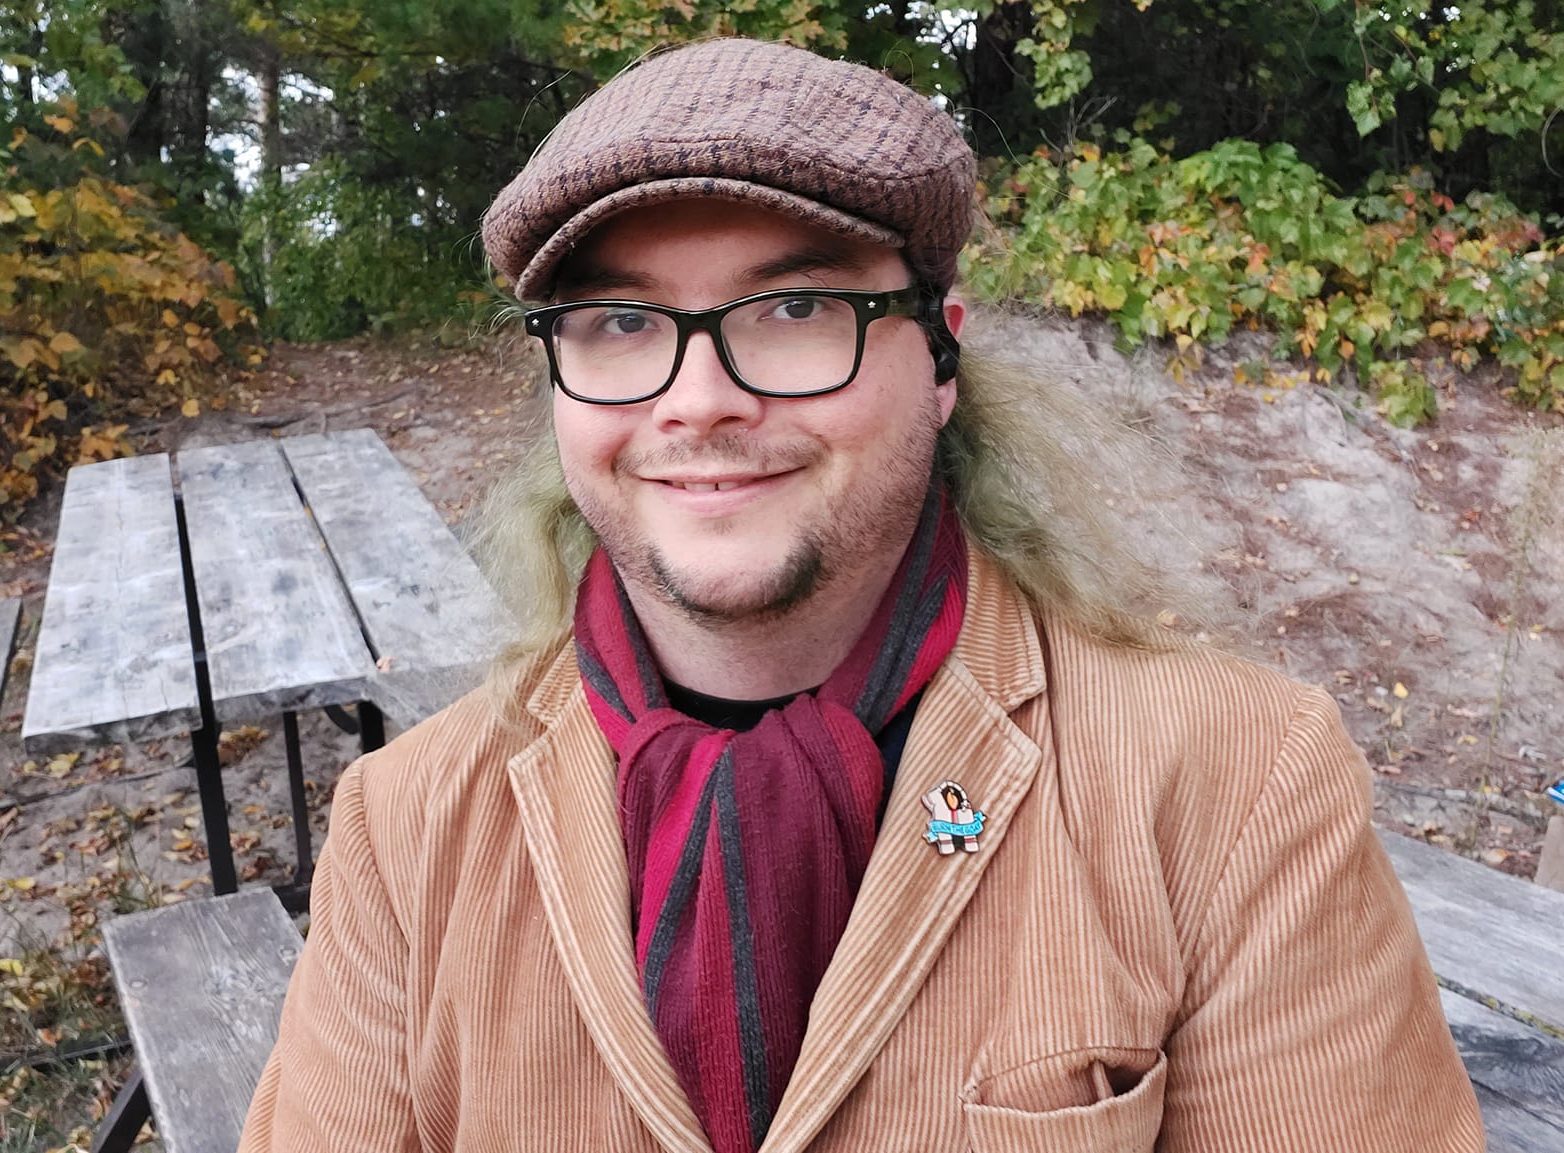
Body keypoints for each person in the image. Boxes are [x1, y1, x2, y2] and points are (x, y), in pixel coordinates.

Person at [238, 37, 1484, 1153]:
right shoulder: (410, 829)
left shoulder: (1227, 784)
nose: (697, 401)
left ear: (937, 355)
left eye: (792, 307)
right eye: (618, 322)